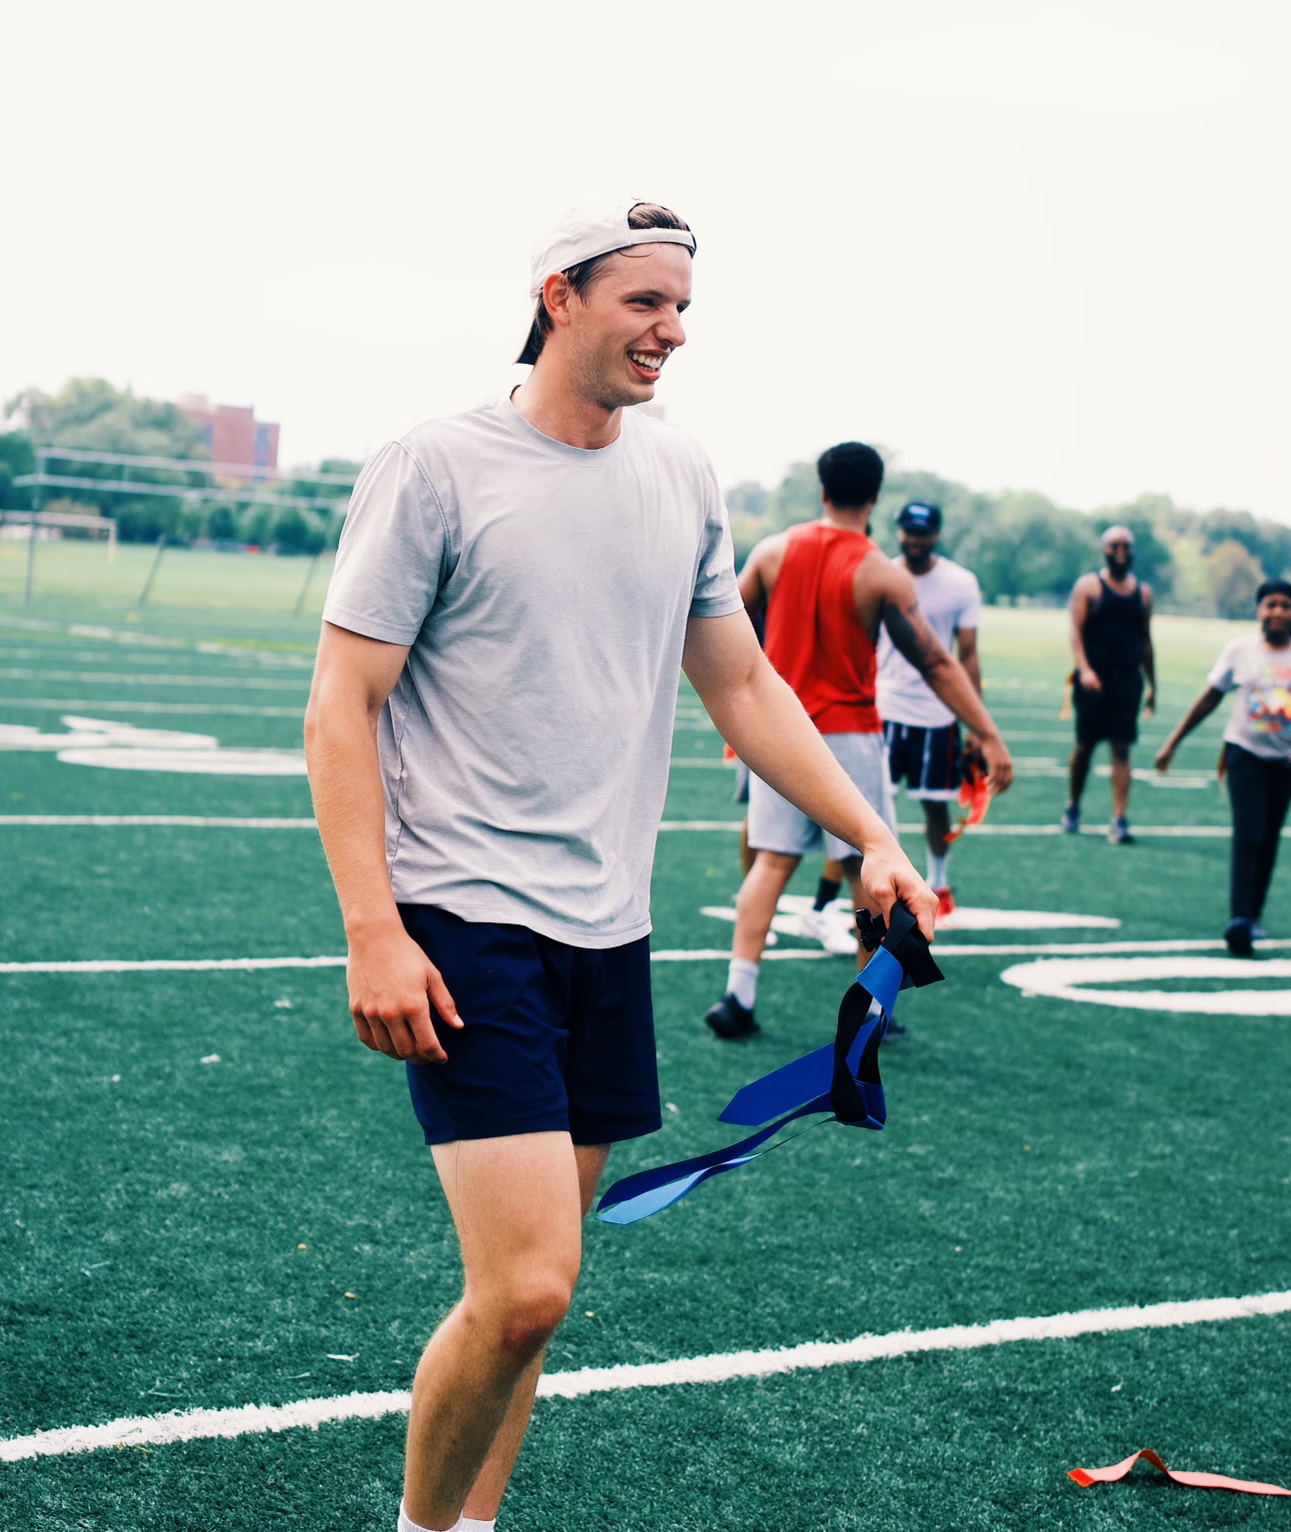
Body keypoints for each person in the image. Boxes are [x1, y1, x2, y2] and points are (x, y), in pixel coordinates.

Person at [303, 200, 937, 1532]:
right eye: (644, 302)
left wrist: (871, 834)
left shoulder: (678, 471)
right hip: (463, 918)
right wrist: (372, 928)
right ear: (559, 297)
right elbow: (341, 703)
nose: (672, 331)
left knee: (537, 1303)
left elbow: (740, 683)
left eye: (682, 307)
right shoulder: (435, 465)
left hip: (609, 929)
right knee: (527, 1285)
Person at [703, 444, 1013, 1042]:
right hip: (848, 736)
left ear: (822, 489)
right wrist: (988, 734)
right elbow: (935, 662)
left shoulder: (773, 552)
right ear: (874, 498)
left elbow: (722, 622)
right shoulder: (880, 572)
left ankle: (738, 995)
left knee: (770, 864)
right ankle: (870, 1010)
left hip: (777, 728)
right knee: (866, 871)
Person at [1155, 578, 1291, 956]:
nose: (1278, 612)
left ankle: (1254, 914)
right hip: (1244, 753)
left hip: (1284, 762)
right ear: (1258, 610)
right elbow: (1210, 697)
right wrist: (1173, 742)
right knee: (1248, 834)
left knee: (1269, 837)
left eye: (1285, 605)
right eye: (1271, 604)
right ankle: (1240, 919)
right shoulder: (1241, 650)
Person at [876, 500, 985, 917]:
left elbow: (968, 655)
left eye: (922, 532)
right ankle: (879, 889)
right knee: (873, 805)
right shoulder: (882, 573)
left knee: (936, 804)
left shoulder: (961, 582)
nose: (915, 539)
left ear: (936, 534)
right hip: (884, 707)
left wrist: (977, 723)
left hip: (938, 714)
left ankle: (938, 884)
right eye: (908, 531)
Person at [1063, 526, 1156, 843]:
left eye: (1126, 546)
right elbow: (1075, 633)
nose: (1121, 551)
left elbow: (1146, 641)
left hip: (1128, 681)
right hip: (1093, 682)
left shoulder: (1143, 593)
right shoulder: (1089, 587)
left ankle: (1119, 819)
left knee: (1122, 748)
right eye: (1114, 545)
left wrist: (1153, 685)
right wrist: (1085, 670)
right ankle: (1073, 806)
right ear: (1104, 550)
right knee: (1084, 748)